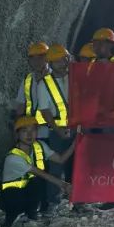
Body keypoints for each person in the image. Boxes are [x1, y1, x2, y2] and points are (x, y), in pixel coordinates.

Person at [0, 116, 76, 227]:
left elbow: (60, 159)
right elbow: (40, 173)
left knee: (35, 183)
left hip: (28, 191)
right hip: (10, 198)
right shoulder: (14, 157)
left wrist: (74, 145)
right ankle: (10, 218)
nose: (29, 134)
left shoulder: (40, 146)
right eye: (25, 131)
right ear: (17, 134)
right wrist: (64, 185)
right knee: (36, 180)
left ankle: (31, 214)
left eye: (33, 130)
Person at [35, 44, 72, 211]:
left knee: (76, 165)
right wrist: (57, 129)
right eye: (57, 61)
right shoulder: (44, 84)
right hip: (58, 131)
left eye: (63, 59)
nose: (62, 63)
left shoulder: (76, 77)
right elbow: (45, 111)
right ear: (50, 63)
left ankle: (78, 200)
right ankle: (53, 202)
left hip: (78, 128)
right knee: (56, 166)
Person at [13, 42, 49, 131]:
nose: (36, 62)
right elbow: (20, 108)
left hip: (53, 130)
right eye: (33, 58)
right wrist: (17, 131)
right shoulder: (27, 80)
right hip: (32, 130)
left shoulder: (57, 77)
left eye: (40, 57)